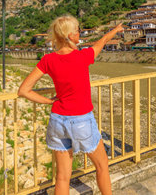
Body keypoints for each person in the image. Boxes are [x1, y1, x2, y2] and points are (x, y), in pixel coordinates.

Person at [18, 15, 123, 195]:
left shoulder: (48, 60)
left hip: (57, 120)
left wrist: (50, 101)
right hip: (81, 120)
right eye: (78, 31)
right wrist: (114, 31)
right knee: (102, 165)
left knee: (62, 177)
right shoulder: (82, 56)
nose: (79, 34)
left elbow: (24, 90)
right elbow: (100, 43)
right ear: (70, 35)